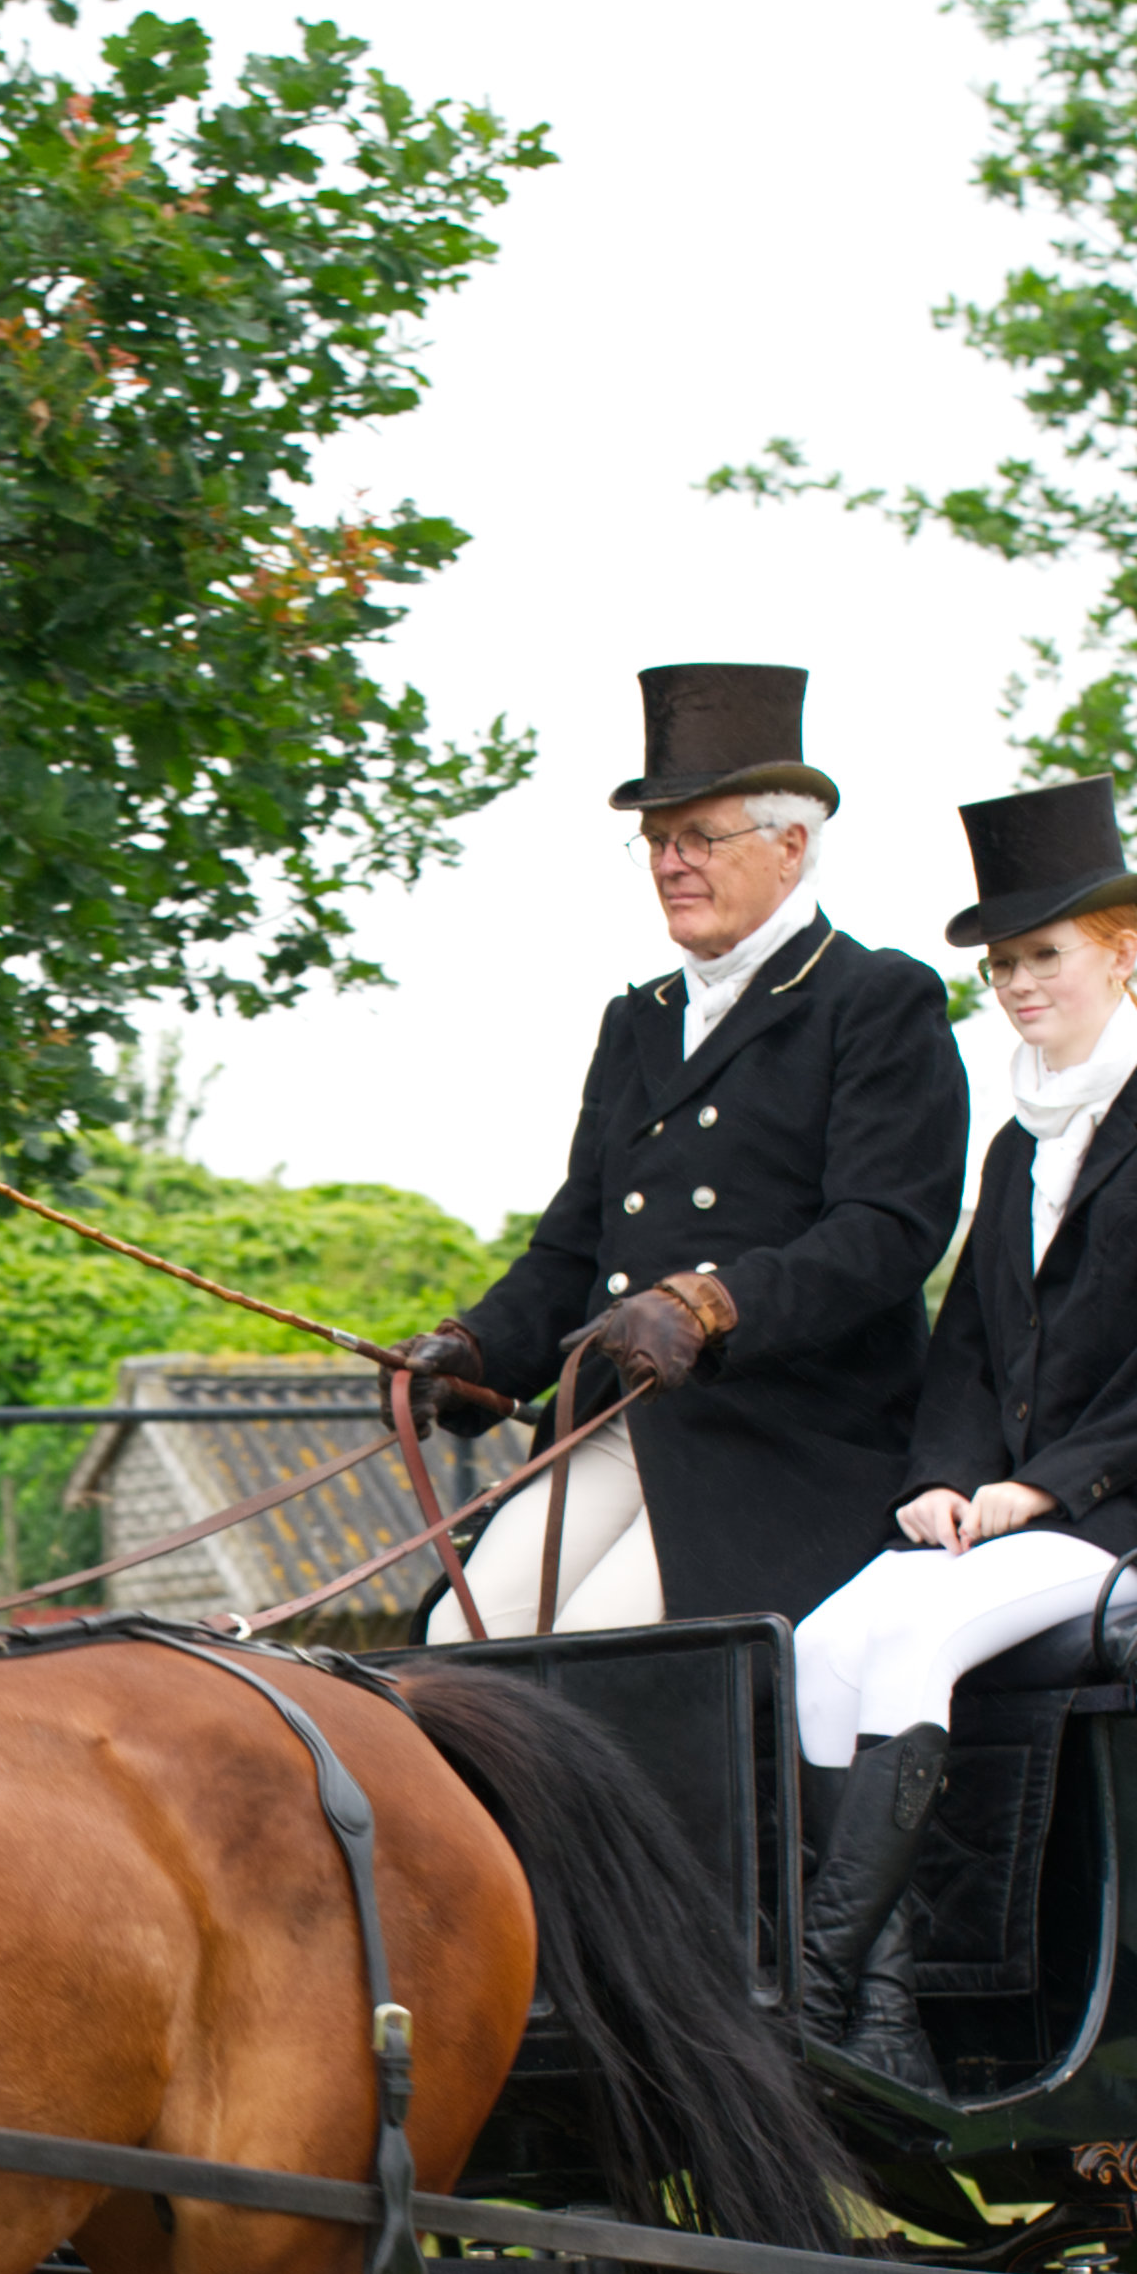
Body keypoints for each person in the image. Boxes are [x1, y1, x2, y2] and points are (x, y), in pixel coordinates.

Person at [788, 780, 1137, 2083]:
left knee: (927, 1634)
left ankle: (824, 1988)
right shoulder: (1016, 1148)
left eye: (1043, 956)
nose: (1016, 984)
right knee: (828, 1642)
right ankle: (885, 2022)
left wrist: (1048, 1488)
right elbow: (965, 1348)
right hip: (1025, 1513)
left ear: (1123, 949)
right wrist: (947, 1478)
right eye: (1003, 964)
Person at [396, 666, 967, 1639]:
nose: (671, 862)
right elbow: (576, 1243)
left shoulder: (875, 999)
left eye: (699, 836)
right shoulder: (639, 1019)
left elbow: (887, 1232)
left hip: (791, 1434)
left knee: (593, 1655)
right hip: (632, 1419)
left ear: (791, 846)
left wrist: (716, 1305)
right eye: (656, 841)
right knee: (463, 1639)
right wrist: (480, 1349)